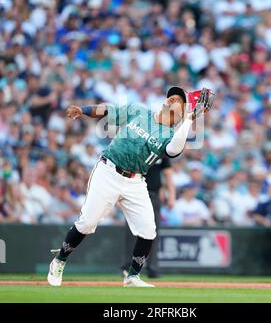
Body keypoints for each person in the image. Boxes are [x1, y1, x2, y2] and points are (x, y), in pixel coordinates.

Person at [47, 87, 214, 287]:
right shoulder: (139, 111)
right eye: (171, 96)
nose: (172, 99)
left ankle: (133, 277)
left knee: (148, 231)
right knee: (87, 223)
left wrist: (189, 119)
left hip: (135, 181)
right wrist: (83, 109)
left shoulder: (170, 135)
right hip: (108, 171)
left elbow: (174, 150)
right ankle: (59, 261)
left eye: (178, 99)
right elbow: (109, 110)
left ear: (182, 112)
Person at [122, 155, 176, 279]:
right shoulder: (139, 146)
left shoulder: (162, 149)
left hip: (153, 195)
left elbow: (168, 173)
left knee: (153, 231)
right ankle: (127, 266)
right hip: (134, 194)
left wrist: (171, 195)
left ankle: (152, 267)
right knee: (132, 231)